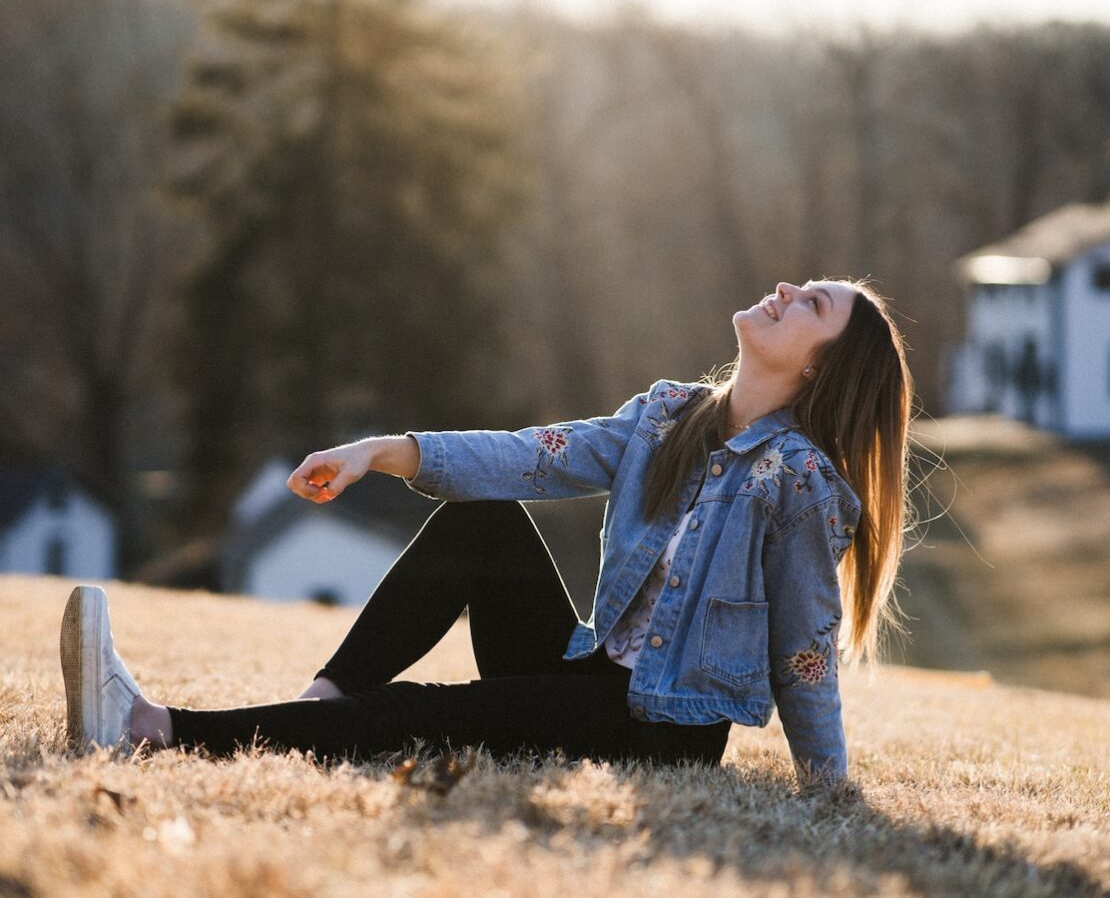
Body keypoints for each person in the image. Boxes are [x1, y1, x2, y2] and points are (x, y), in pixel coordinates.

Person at [60, 279, 912, 790]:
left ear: (818, 368)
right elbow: (527, 459)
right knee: (482, 521)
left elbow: (805, 642)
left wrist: (828, 785)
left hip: (658, 727)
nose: (786, 290)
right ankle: (317, 709)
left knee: (420, 716)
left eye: (812, 305)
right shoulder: (668, 417)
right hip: (586, 670)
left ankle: (152, 727)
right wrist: (379, 451)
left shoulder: (795, 480)